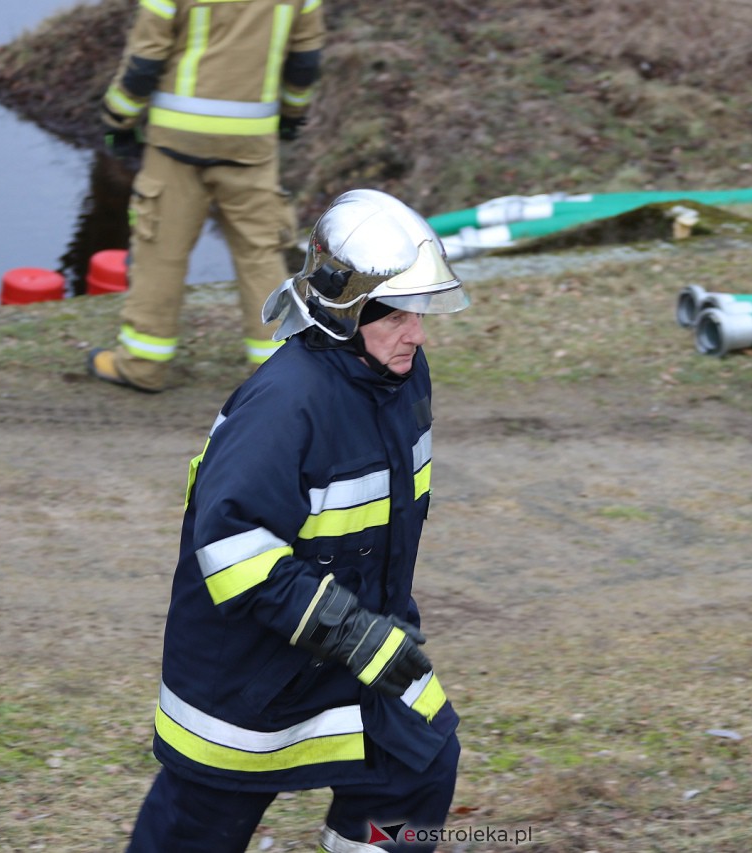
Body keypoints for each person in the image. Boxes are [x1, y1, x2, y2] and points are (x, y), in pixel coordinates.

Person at [125, 189, 471, 853]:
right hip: (249, 679)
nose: (418, 332)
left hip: (354, 650)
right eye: (398, 313)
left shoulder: (401, 379)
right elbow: (232, 549)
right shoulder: (283, 406)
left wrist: (379, 628)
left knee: (421, 760)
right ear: (348, 307)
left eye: (421, 311)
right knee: (196, 828)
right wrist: (354, 631)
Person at [88, 0, 326, 392]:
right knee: (259, 252)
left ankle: (143, 364)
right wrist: (290, 116)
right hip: (250, 142)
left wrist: (119, 119)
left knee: (160, 249)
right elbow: (305, 62)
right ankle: (279, 372)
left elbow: (145, 61)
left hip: (176, 140)